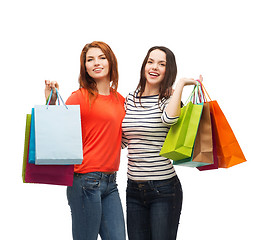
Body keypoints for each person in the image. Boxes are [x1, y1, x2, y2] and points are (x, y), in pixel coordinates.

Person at [45, 41, 126, 240]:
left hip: (111, 182)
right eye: (90, 59)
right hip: (84, 181)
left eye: (101, 57)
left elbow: (122, 137)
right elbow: (55, 130)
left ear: (111, 62)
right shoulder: (79, 98)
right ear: (85, 67)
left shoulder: (121, 100)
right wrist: (52, 101)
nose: (96, 63)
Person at [122, 46, 201, 240]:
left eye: (162, 63)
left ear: (169, 70)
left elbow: (169, 119)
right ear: (144, 65)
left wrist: (181, 84)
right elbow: (123, 141)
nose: (154, 67)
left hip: (163, 189)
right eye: (150, 61)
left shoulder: (168, 99)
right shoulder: (131, 99)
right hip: (133, 189)